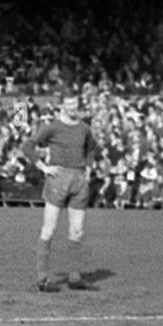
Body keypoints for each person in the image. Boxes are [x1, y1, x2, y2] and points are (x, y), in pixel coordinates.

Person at [22, 93, 97, 291]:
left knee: (77, 231)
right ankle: (42, 278)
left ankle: (74, 277)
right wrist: (43, 167)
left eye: (76, 103)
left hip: (79, 180)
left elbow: (91, 148)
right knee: (49, 229)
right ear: (62, 106)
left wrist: (88, 168)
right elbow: (27, 145)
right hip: (58, 179)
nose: (74, 107)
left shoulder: (84, 128)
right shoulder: (53, 127)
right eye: (70, 104)